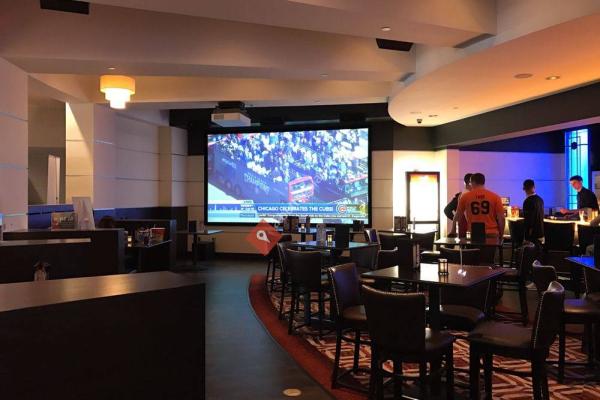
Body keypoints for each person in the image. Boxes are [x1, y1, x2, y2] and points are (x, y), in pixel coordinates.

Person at [450, 172, 505, 237]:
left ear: (472, 182)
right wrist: (501, 234)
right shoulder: (495, 197)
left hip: (473, 233)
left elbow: (457, 216)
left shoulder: (465, 197)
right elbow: (501, 218)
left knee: (473, 245)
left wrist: (453, 231)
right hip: (491, 233)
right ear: (483, 182)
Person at [522, 179, 544, 247]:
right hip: (540, 232)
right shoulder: (540, 199)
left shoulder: (527, 201)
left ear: (524, 189)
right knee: (538, 250)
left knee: (530, 251)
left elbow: (528, 220)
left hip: (532, 233)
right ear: (534, 187)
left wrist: (527, 235)